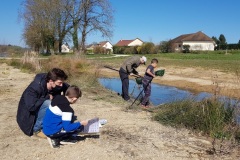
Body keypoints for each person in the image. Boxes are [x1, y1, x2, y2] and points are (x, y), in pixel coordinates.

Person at [16, 68, 69, 137]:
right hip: (28, 118)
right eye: (59, 83)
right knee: (48, 103)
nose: (61, 85)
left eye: (62, 82)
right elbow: (31, 107)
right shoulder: (34, 88)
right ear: (51, 81)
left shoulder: (56, 84)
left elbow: (67, 87)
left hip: (39, 110)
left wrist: (69, 95)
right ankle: (37, 129)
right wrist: (46, 97)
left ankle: (52, 124)